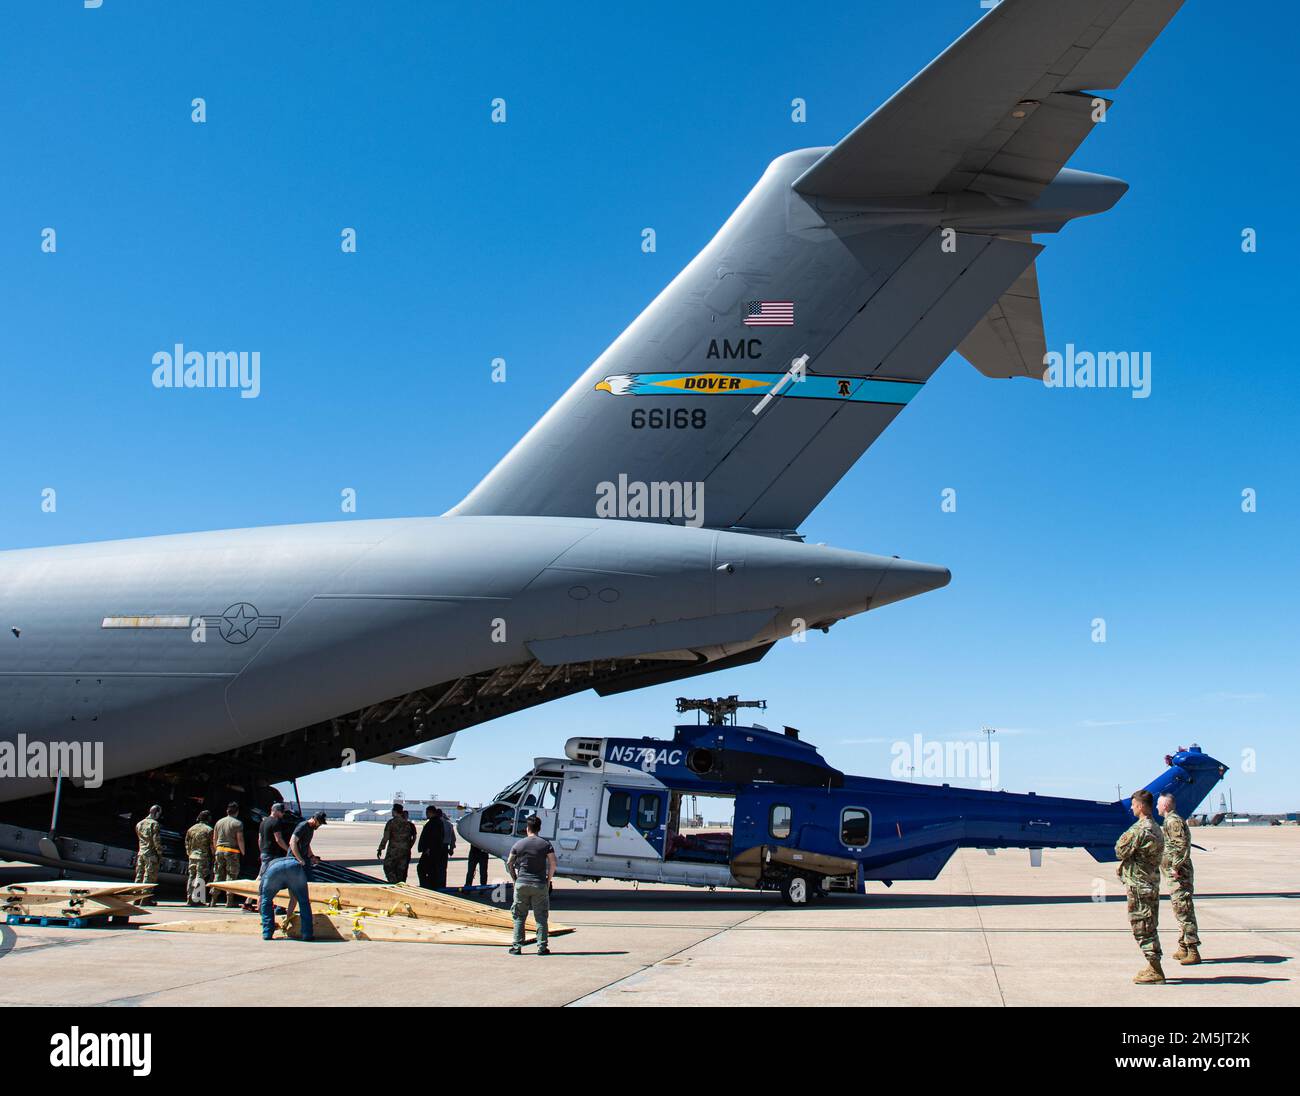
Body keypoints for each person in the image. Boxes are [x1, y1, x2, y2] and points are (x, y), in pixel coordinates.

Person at [1115, 788, 1165, 984]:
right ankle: (1154, 965)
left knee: (1141, 926)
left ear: (1142, 806)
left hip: (1139, 885)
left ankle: (1155, 968)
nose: (1132, 808)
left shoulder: (1140, 829)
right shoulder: (1156, 828)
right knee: (1150, 925)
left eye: (1134, 805)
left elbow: (1120, 849)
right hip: (1151, 883)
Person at [1158, 792, 1201, 965]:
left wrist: (1176, 867)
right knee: (1179, 910)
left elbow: (1181, 845)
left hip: (1179, 874)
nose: (1157, 807)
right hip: (1174, 874)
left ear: (1166, 806)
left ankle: (1193, 950)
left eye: (1159, 804)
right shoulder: (1169, 821)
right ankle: (1183, 946)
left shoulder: (1173, 821)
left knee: (1184, 910)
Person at [506, 815, 556, 956]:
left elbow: (509, 862)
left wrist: (515, 878)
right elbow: (553, 863)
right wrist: (548, 879)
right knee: (541, 917)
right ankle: (542, 947)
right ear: (539, 828)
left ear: (527, 828)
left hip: (521, 883)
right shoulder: (546, 845)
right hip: (539, 884)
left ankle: (517, 946)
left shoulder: (518, 844)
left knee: (519, 916)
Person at [259, 852, 314, 942]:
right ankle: (307, 934)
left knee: (266, 901)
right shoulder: (291, 876)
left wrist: (266, 922)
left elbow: (261, 901)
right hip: (294, 866)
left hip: (274, 870)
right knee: (303, 901)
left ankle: (267, 933)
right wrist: (288, 916)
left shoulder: (265, 873)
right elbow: (294, 899)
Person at [212, 802, 246, 908]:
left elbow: (214, 838)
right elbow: (240, 839)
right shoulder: (238, 823)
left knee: (217, 874)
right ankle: (229, 901)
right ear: (237, 812)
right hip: (232, 851)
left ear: (227, 811)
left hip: (219, 850)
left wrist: (216, 849)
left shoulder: (219, 822)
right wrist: (243, 851)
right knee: (231, 875)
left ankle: (213, 900)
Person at [377, 804, 416, 884]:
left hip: (393, 851)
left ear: (395, 811)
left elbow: (386, 837)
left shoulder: (391, 823)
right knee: (402, 871)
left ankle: (393, 883)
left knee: (388, 867)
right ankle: (401, 885)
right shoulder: (409, 824)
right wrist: (409, 847)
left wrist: (381, 848)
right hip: (405, 851)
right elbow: (413, 838)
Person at [184, 810, 214, 906]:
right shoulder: (209, 830)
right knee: (200, 877)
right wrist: (214, 855)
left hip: (192, 856)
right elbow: (211, 845)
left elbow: (186, 843)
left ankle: (189, 898)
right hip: (203, 857)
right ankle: (197, 899)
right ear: (208, 818)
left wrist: (189, 853)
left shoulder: (191, 829)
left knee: (191, 876)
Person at [134, 805, 163, 903]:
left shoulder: (140, 823)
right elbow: (156, 840)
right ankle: (145, 899)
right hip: (151, 854)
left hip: (141, 852)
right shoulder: (155, 824)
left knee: (139, 875)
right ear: (157, 812)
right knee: (149, 876)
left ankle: (136, 898)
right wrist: (159, 853)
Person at [417, 806, 450, 889]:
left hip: (431, 851)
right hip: (435, 850)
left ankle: (427, 885)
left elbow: (434, 837)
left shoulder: (434, 823)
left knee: (423, 868)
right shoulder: (436, 822)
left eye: (427, 812)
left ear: (430, 812)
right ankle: (430, 885)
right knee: (432, 870)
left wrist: (428, 848)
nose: (426, 814)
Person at [257, 802, 291, 880]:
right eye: (281, 811)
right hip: (271, 854)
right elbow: (278, 839)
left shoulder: (263, 822)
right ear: (275, 811)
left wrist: (261, 851)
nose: (283, 814)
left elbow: (259, 839)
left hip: (264, 852)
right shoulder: (275, 822)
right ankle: (254, 889)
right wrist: (288, 849)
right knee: (262, 876)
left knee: (265, 874)